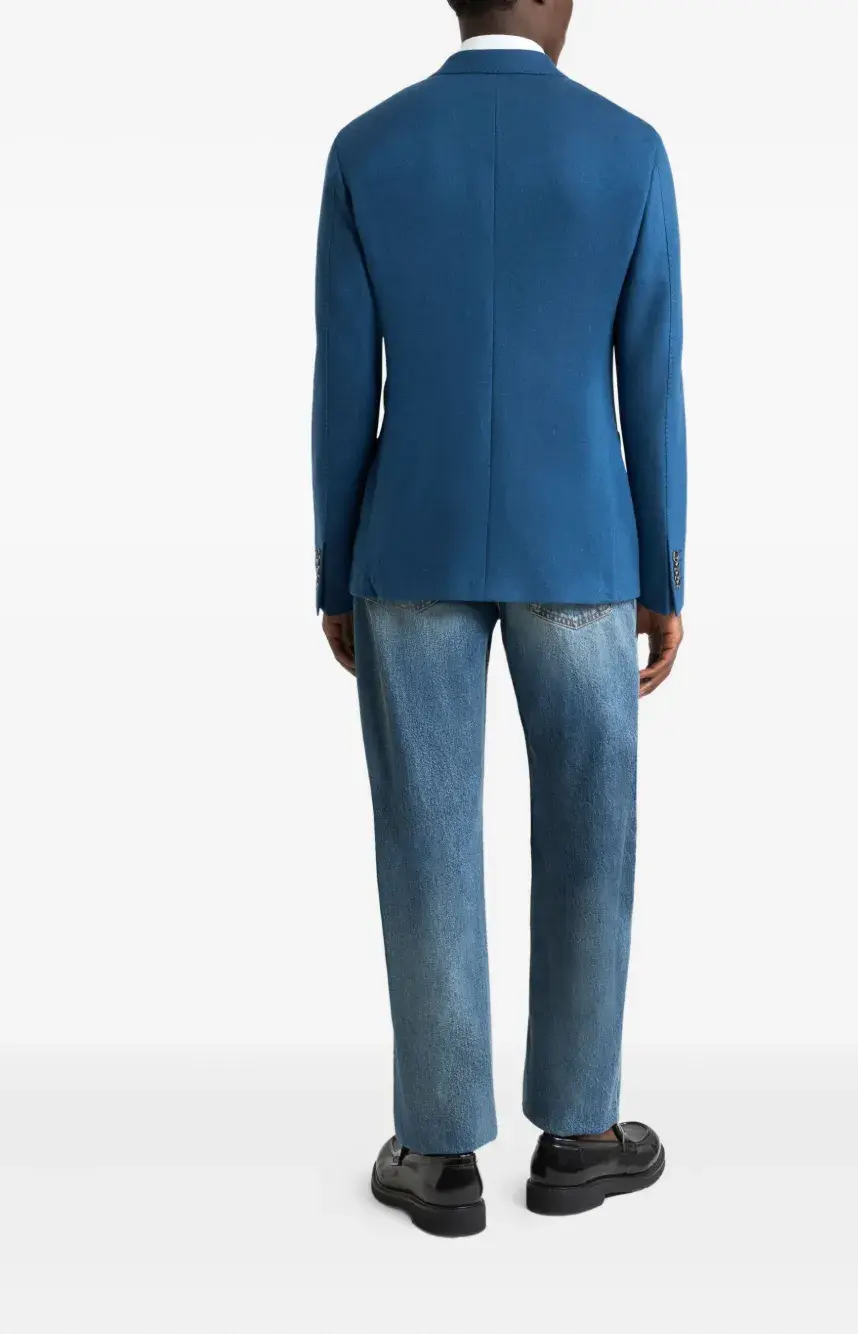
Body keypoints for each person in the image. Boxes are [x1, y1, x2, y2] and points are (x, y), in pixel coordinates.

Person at [312, 0, 686, 1237]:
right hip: (582, 543)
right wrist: (664, 571)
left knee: (424, 840)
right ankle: (578, 1135)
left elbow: (342, 378)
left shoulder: (369, 147)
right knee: (590, 835)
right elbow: (651, 377)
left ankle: (437, 1156)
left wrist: (335, 567)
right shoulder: (627, 149)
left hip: (409, 537)